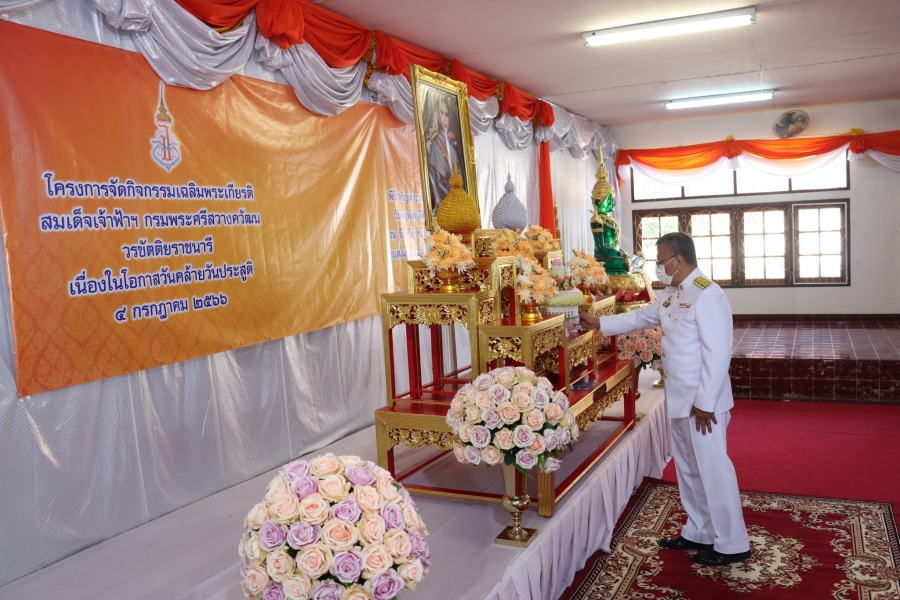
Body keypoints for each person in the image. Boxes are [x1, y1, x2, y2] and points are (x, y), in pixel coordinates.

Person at [581, 232, 751, 567]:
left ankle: (732, 543)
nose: (658, 268)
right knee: (688, 469)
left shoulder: (708, 294)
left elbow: (718, 355)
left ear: (679, 259)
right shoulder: (674, 294)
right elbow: (642, 317)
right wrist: (599, 323)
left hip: (704, 405)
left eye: (661, 261)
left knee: (714, 470)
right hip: (679, 398)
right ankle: (699, 530)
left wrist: (705, 402)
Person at [425, 96, 464, 216]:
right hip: (444, 205)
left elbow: (460, 178)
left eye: (447, 114)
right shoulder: (435, 145)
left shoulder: (452, 147)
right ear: (437, 115)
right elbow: (436, 182)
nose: (445, 118)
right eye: (442, 113)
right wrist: (450, 195)